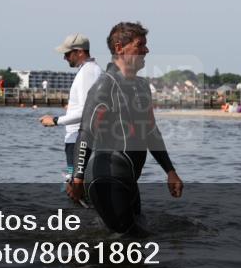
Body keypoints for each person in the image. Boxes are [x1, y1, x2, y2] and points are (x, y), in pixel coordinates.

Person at [68, 22, 183, 235]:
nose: (146, 50)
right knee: (130, 238)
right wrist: (77, 177)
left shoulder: (142, 86)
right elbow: (86, 133)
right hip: (105, 176)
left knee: (136, 236)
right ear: (120, 48)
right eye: (140, 45)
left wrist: (170, 171)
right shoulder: (105, 85)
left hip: (128, 178)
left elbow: (151, 132)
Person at [40, 34, 103, 183]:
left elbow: (86, 112)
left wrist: (55, 120)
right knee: (76, 185)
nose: (64, 58)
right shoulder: (92, 70)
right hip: (79, 140)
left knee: (76, 188)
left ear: (80, 52)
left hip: (78, 141)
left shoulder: (87, 72)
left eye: (67, 54)